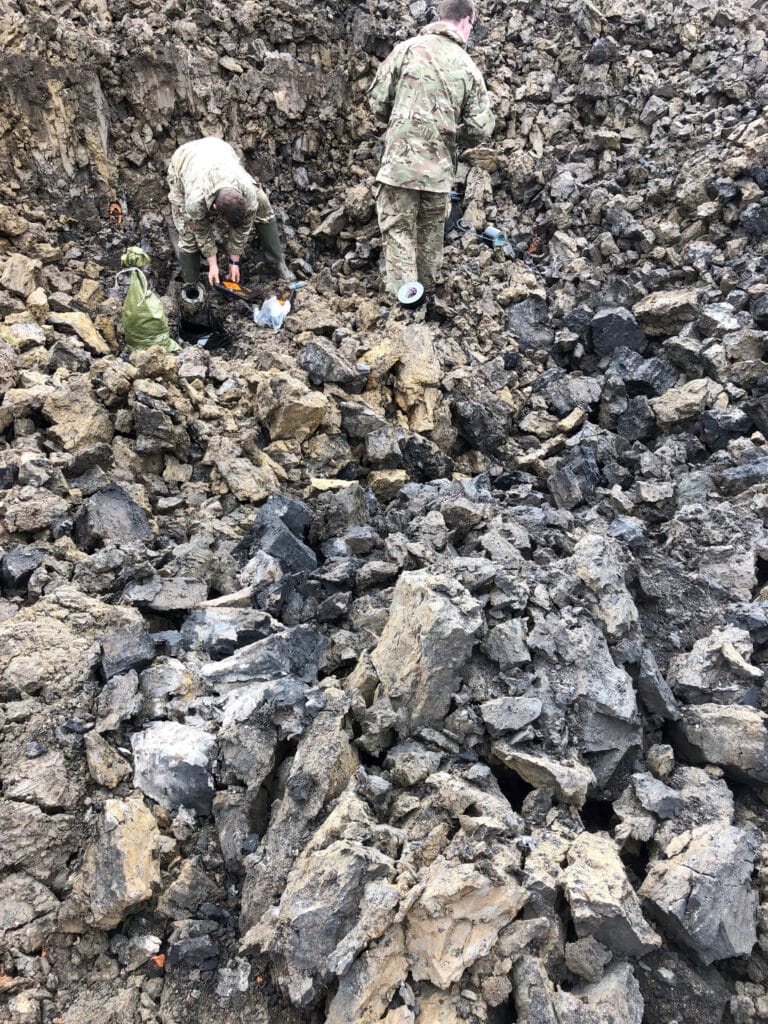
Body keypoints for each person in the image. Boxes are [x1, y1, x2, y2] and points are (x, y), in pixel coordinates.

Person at [368, 0, 495, 296]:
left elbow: (376, 102)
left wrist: (402, 121)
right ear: (465, 21)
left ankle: (405, 307)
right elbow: (481, 128)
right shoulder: (468, 66)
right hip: (438, 174)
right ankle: (425, 300)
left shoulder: (407, 50)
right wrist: (451, 137)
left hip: (398, 167)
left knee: (399, 232)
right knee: (429, 236)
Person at [167, 136, 294, 286]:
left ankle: (278, 263)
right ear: (215, 209)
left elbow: (244, 227)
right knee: (188, 235)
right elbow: (201, 231)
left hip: (219, 149)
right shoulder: (195, 201)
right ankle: (191, 288)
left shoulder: (247, 192)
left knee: (263, 206)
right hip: (185, 160)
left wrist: (234, 262)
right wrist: (212, 264)